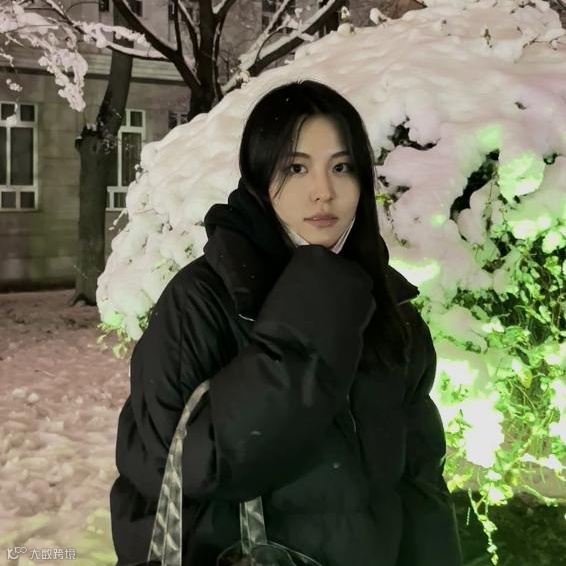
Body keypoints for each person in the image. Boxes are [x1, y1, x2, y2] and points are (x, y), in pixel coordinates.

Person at [109, 80, 463, 566]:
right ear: (259, 177)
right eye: (296, 168)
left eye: (342, 167)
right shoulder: (203, 300)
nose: (323, 192)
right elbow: (184, 467)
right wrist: (311, 306)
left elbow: (419, 484)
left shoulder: (387, 304)